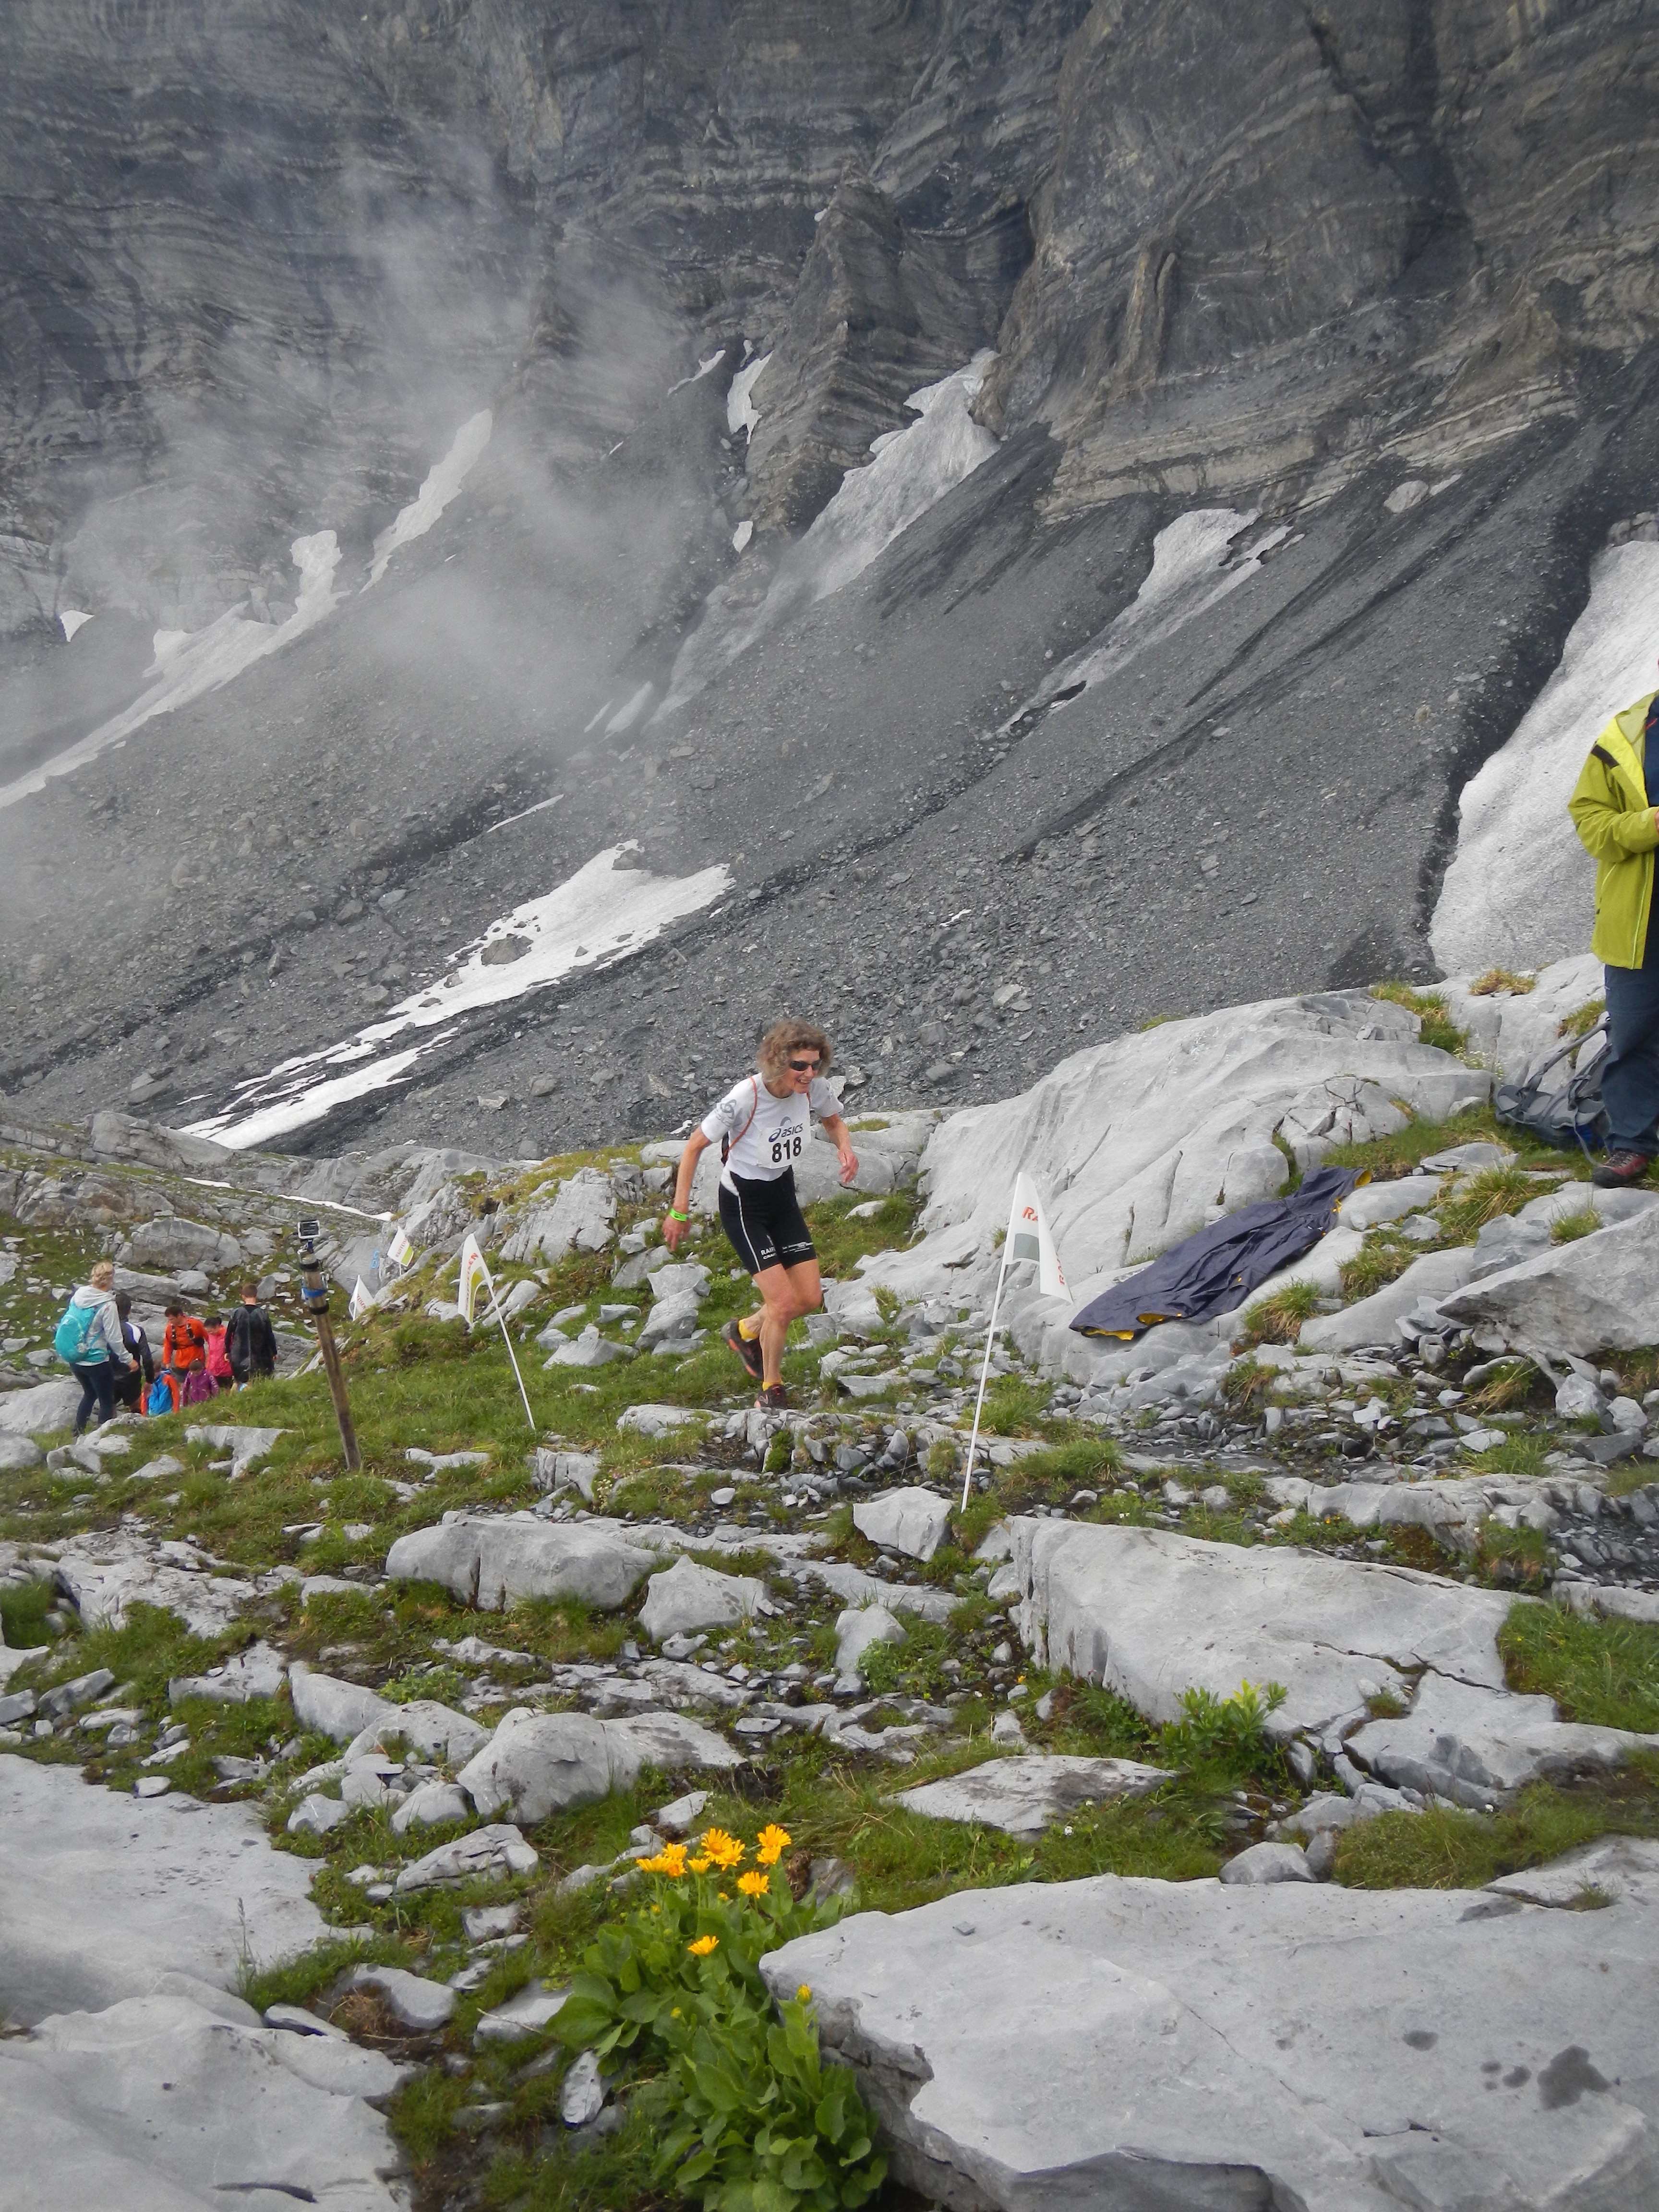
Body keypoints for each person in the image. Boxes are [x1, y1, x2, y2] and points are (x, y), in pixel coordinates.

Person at [663, 1020, 858, 1410]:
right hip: (743, 1203)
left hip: (781, 1195)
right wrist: (679, 1209)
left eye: (815, 1065)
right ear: (778, 1062)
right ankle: (771, 1388)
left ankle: (745, 1330)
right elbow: (694, 1145)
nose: (809, 1074)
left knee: (809, 1297)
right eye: (800, 1066)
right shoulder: (745, 1096)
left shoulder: (814, 1089)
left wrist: (845, 1148)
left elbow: (834, 1122)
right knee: (783, 1304)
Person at [1569, 680, 1659, 1185]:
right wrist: (1650, 826)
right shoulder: (1625, 735)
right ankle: (1631, 1145)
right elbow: (1590, 821)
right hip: (1638, 921)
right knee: (1633, 1032)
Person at [60, 1260, 134, 1436]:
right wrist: (129, 1360)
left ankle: (78, 1432)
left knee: (90, 1393)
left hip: (75, 1357)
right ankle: (101, 1438)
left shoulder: (79, 1295)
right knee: (107, 1400)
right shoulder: (108, 1305)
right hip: (96, 1361)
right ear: (110, 1279)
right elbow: (115, 1339)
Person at [111, 1290, 156, 1414]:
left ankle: (108, 1425)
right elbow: (147, 1358)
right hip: (131, 1377)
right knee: (136, 1406)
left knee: (108, 1406)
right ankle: (136, 1423)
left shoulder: (105, 1330)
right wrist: (149, 1380)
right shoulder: (137, 1331)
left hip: (109, 1375)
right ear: (130, 1311)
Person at [225, 1284, 278, 1386]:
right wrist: (274, 1352)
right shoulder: (263, 1314)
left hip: (239, 1353)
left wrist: (227, 1351)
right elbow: (269, 1335)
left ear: (243, 1296)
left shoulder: (236, 1313)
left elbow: (228, 1335)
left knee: (240, 1381)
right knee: (259, 1380)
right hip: (260, 1354)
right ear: (256, 1296)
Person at [161, 1301, 208, 1408]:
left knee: (199, 1384)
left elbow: (209, 1337)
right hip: (180, 1361)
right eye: (169, 1320)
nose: (170, 1322)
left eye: (172, 1319)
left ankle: (201, 1405)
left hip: (197, 1359)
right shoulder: (170, 1329)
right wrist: (167, 1361)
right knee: (184, 1386)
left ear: (180, 1316)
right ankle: (187, 1406)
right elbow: (168, 1345)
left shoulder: (196, 1324)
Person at [203, 1311, 233, 1394]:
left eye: (210, 1331)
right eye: (208, 1332)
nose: (209, 1333)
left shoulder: (228, 1335)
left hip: (226, 1369)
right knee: (213, 1391)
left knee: (227, 1390)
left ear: (217, 1327)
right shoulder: (211, 1336)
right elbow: (210, 1351)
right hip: (213, 1369)